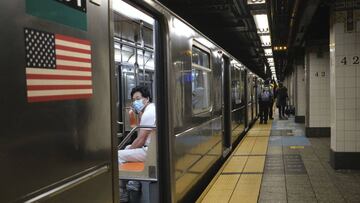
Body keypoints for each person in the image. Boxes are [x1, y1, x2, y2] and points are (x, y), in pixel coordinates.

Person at [118, 85, 156, 202]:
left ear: (147, 98)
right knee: (127, 147)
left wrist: (127, 151)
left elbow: (140, 140)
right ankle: (132, 181)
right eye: (133, 100)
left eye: (138, 98)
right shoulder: (151, 109)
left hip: (149, 151)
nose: (135, 102)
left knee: (118, 154)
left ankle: (126, 188)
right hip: (150, 148)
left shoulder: (149, 113)